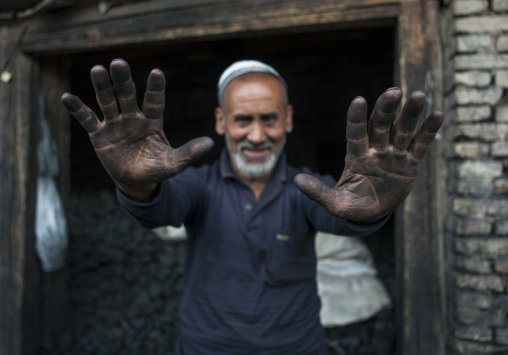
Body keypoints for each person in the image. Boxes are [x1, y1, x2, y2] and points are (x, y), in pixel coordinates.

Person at [61, 59, 444, 354]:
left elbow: (344, 213)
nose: (257, 135)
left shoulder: (306, 188)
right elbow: (159, 208)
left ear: (288, 119)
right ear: (222, 121)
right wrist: (134, 181)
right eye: (243, 120)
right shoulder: (200, 187)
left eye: (269, 119)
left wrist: (373, 208)